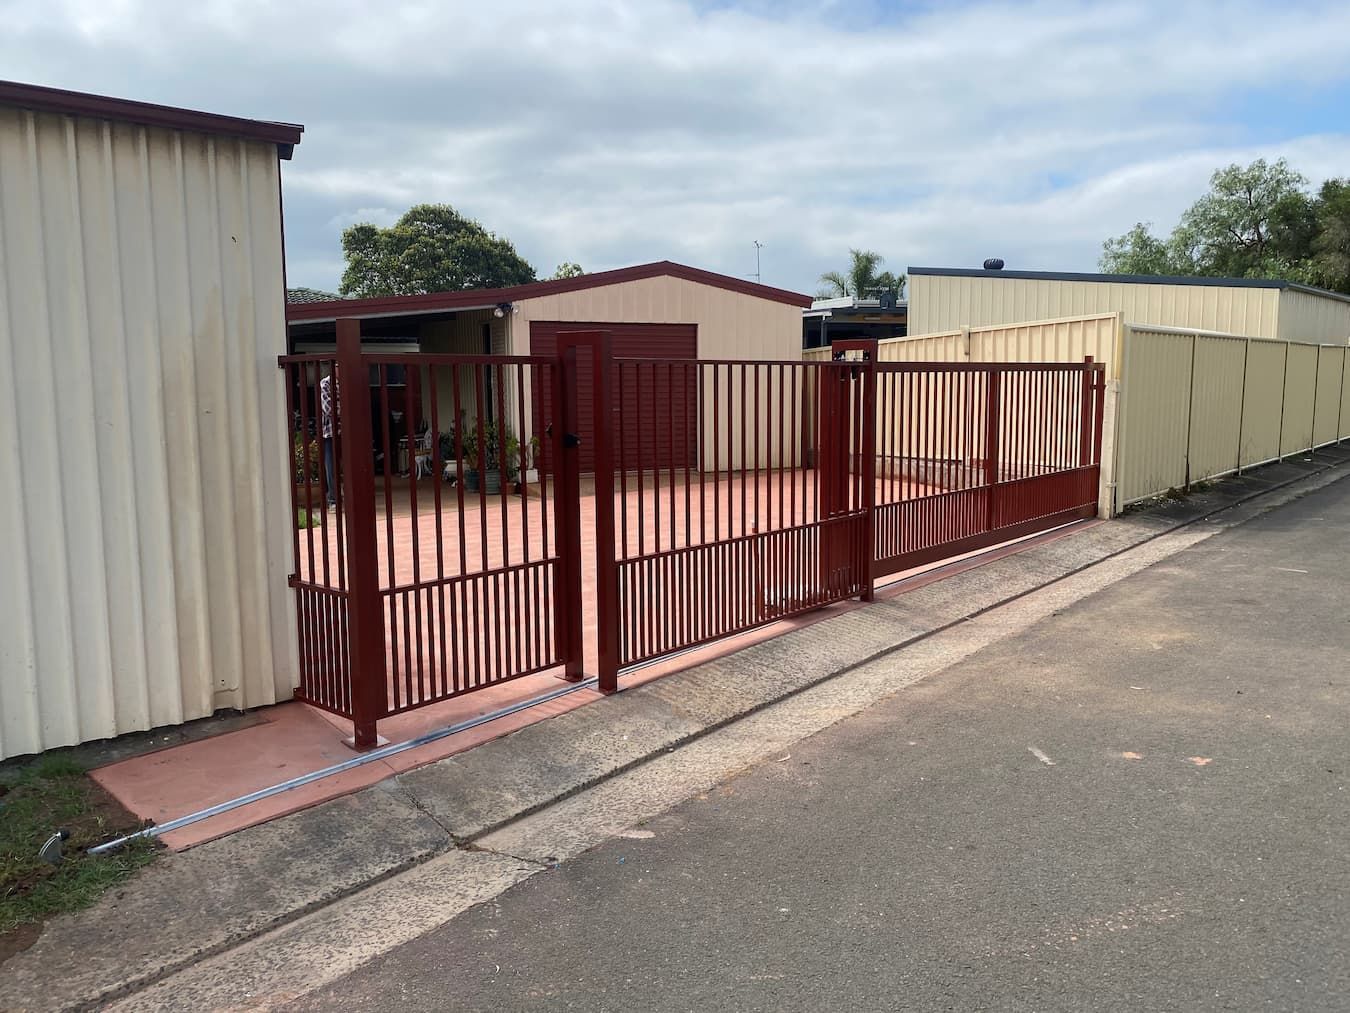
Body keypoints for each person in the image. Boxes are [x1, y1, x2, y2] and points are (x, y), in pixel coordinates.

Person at [320, 366, 338, 510]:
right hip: (330, 432)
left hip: (347, 432)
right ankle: (333, 499)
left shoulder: (347, 381)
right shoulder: (325, 383)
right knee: (330, 466)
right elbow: (328, 408)